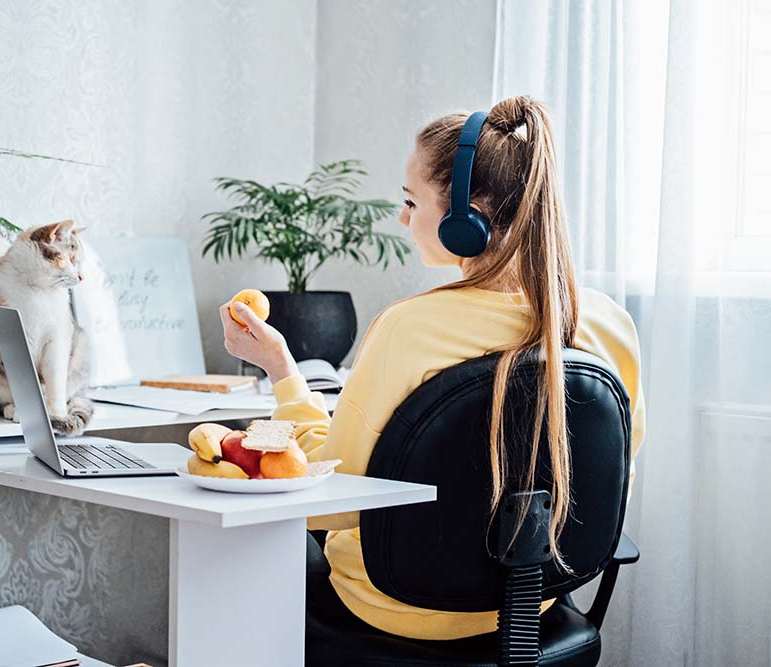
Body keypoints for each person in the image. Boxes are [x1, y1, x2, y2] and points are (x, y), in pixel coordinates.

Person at [219, 95, 645, 641]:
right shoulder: (609, 323)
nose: (402, 217)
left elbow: (332, 500)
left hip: (392, 607)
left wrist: (281, 370)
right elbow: (611, 483)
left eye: (411, 200)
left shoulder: (410, 327)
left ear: (468, 220)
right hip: (531, 605)